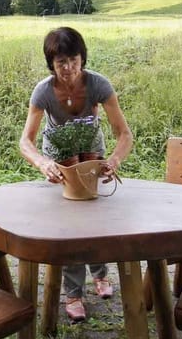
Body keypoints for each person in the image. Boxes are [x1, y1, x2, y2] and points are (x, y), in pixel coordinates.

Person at [18, 26, 134, 323]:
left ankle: (100, 272)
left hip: (91, 146)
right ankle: (73, 292)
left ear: (82, 58)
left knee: (92, 213)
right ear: (51, 65)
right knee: (69, 221)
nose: (68, 68)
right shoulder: (43, 91)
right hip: (58, 150)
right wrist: (44, 164)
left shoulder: (98, 85)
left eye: (73, 60)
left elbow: (124, 134)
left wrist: (114, 160)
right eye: (60, 63)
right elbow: (25, 141)